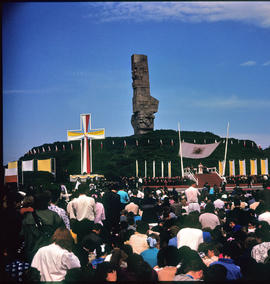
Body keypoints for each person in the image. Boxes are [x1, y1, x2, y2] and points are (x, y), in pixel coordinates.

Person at [21, 191, 65, 262]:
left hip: (32, 255)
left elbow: (22, 235)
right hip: (50, 255)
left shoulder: (27, 217)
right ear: (48, 202)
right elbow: (63, 234)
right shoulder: (54, 216)